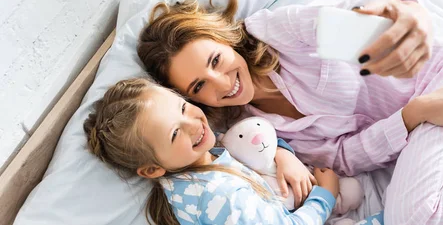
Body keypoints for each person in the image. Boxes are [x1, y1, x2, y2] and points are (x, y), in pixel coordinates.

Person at [137, 0, 443, 224]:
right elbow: (342, 159)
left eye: (216, 60)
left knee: (414, 217)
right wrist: (411, 116)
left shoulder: (282, 33)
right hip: (422, 122)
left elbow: (370, 19)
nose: (222, 82)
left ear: (223, 39)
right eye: (200, 85)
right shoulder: (248, 128)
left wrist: (397, 10)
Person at [84, 78, 350, 225]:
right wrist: (324, 197)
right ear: (153, 169)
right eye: (174, 133)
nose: (193, 124)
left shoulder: (201, 156)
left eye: (182, 108)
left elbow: (251, 145)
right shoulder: (219, 194)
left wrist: (282, 154)